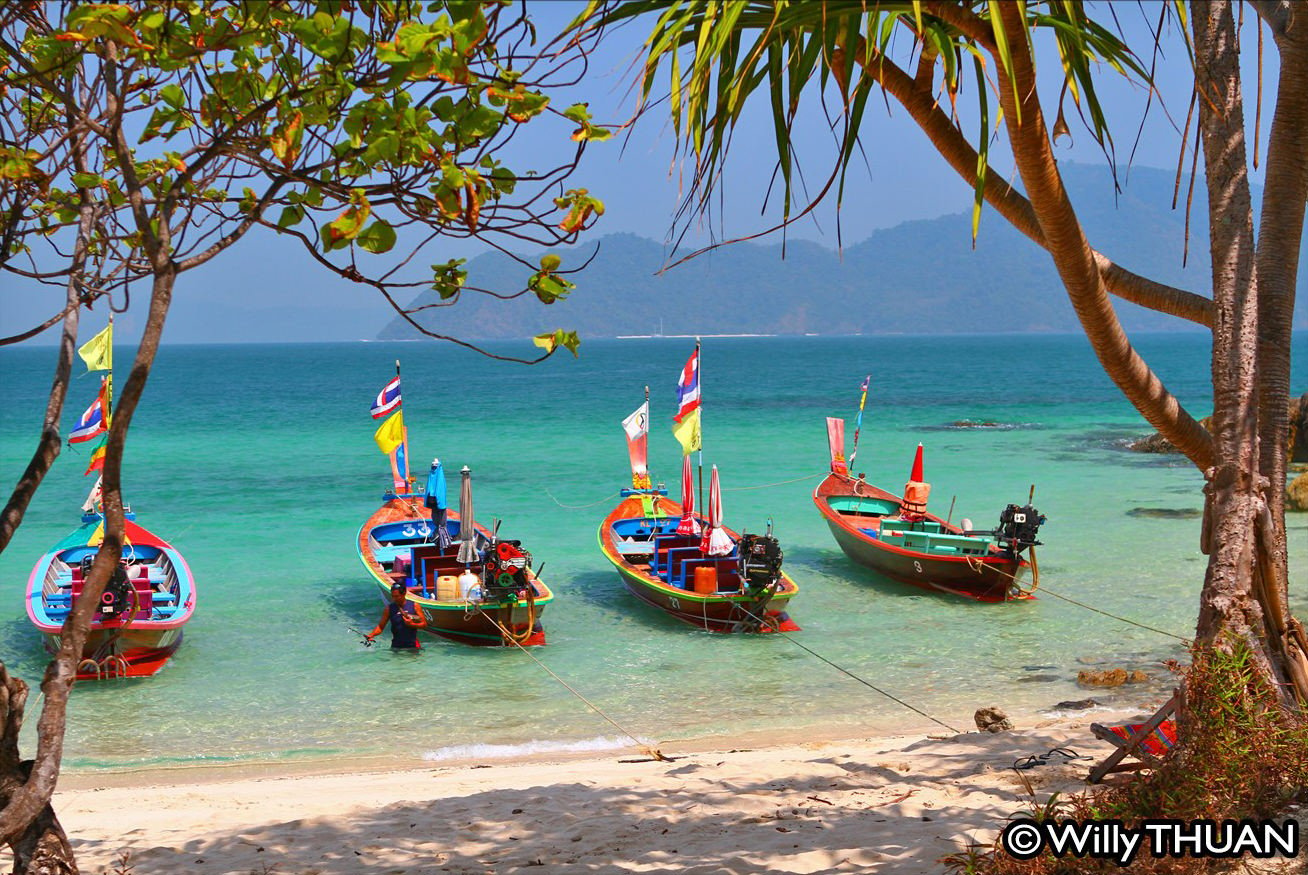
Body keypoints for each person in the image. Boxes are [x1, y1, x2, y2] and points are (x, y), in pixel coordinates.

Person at [365, 581, 427, 650]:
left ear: (404, 593)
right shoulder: (389, 609)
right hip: (396, 646)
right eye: (393, 596)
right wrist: (371, 635)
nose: (394, 599)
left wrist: (412, 624)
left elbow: (424, 624)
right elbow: (380, 627)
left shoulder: (415, 606)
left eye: (397, 596)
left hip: (412, 646)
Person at [425, 457, 449, 547]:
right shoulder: (434, 475)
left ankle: (441, 533)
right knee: (437, 515)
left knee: (439, 516)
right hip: (434, 501)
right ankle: (441, 533)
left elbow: (438, 489)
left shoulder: (437, 476)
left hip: (434, 500)